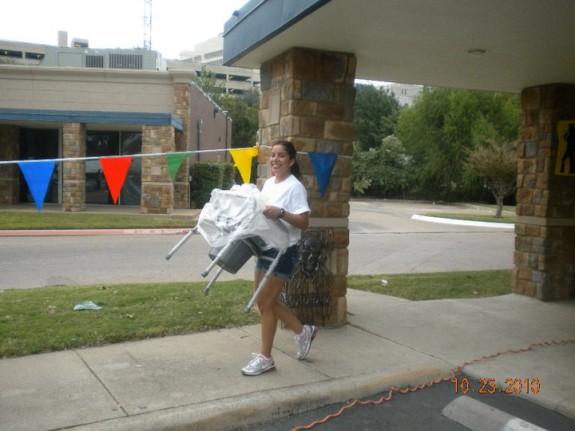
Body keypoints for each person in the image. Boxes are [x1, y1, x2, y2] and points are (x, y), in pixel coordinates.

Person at [241, 140, 319, 376]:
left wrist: (282, 213)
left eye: (281, 156)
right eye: (272, 155)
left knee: (264, 302)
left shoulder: (295, 187)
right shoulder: (268, 184)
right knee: (264, 301)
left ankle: (266, 358)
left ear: (292, 160)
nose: (275, 160)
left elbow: (304, 223)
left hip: (284, 250)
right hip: (265, 246)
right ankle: (304, 331)